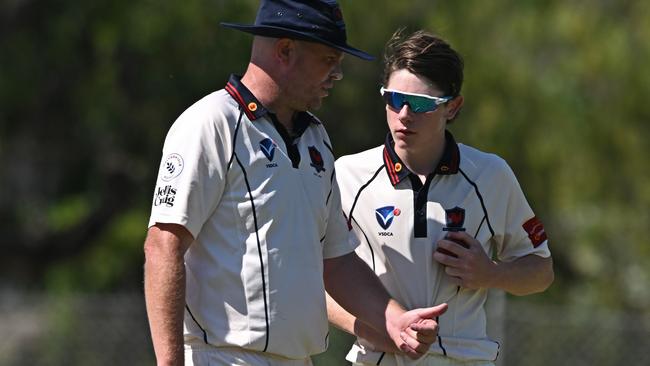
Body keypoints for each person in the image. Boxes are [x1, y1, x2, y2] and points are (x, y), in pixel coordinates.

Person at [143, 2, 449, 365]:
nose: (337, 74)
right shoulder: (210, 124)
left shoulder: (316, 139)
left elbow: (336, 260)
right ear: (286, 50)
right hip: (222, 357)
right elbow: (163, 246)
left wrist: (395, 319)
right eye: (328, 59)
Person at [328, 29, 554, 366]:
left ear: (453, 107)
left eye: (420, 103)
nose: (403, 114)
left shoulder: (491, 175)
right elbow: (313, 278)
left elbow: (542, 270)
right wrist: (378, 329)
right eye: (393, 99)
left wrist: (491, 273)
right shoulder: (346, 175)